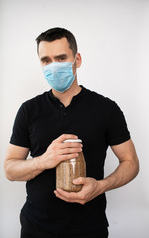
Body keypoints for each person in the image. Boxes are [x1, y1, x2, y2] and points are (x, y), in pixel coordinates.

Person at [4, 27, 139, 238]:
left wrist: (100, 186)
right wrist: (44, 160)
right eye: (46, 60)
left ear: (77, 59)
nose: (54, 66)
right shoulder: (29, 110)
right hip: (35, 228)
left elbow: (131, 163)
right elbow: (10, 169)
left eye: (61, 58)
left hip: (89, 229)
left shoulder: (106, 109)